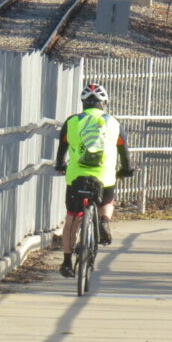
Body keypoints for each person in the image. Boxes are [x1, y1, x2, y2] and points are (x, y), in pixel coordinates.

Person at [55, 83, 134, 278]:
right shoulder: (113, 123)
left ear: (83, 103)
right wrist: (126, 170)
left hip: (76, 177)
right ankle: (104, 220)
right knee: (107, 202)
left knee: (72, 217)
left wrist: (60, 165)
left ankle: (67, 261)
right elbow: (123, 150)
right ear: (104, 103)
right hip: (104, 176)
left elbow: (63, 146)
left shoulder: (72, 121)